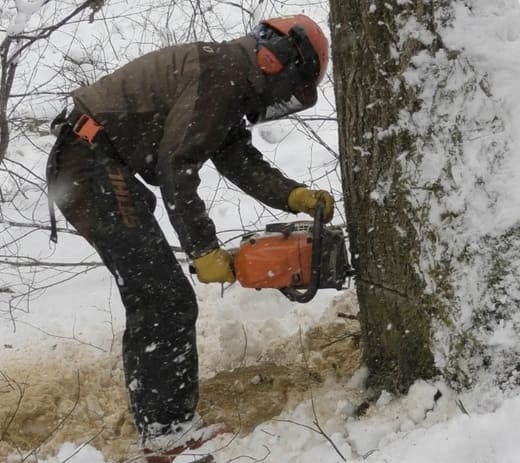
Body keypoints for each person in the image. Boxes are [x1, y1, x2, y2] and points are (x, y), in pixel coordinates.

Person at [45, 14, 335, 462]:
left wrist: (292, 195)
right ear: (279, 60)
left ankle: (163, 425)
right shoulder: (220, 73)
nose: (284, 99)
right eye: (292, 88)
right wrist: (204, 249)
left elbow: (236, 158)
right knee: (163, 297)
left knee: (158, 295)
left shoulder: (228, 78)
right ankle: (166, 435)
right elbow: (177, 166)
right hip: (89, 161)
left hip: (94, 162)